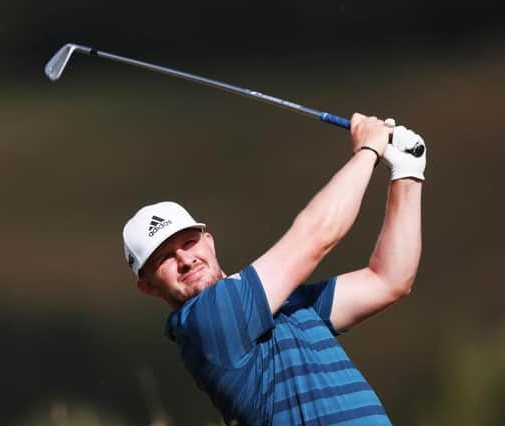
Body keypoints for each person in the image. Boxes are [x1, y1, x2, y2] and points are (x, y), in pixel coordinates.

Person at [122, 113, 425, 425]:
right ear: (147, 286)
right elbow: (316, 236)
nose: (185, 259)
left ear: (208, 241)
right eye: (164, 259)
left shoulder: (284, 304)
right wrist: (368, 151)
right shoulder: (204, 321)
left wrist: (407, 172)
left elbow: (389, 280)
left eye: (188, 242)